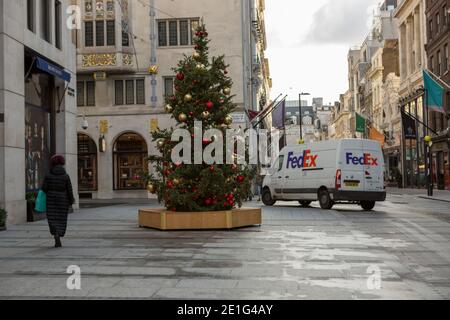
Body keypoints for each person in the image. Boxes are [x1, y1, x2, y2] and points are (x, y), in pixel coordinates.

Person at [42, 155, 75, 248]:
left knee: (52, 217)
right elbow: (69, 189)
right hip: (63, 200)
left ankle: (55, 232)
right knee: (61, 218)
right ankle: (59, 233)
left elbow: (44, 188)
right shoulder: (65, 176)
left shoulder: (48, 175)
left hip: (51, 199)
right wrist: (71, 200)